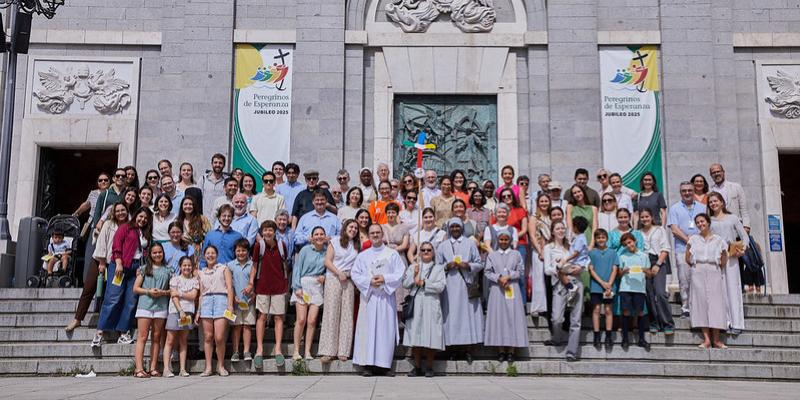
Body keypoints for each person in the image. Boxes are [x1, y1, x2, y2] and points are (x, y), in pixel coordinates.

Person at [93, 207, 152, 348]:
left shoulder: (145, 233)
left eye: (145, 218)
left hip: (136, 268)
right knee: (113, 297)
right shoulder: (126, 227)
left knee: (131, 301)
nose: (142, 220)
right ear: (135, 215)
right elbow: (117, 245)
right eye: (140, 216)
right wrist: (118, 262)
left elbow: (144, 252)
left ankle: (123, 332)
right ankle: (99, 332)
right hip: (120, 266)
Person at [351, 224, 406, 376]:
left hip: (385, 297)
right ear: (368, 235)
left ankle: (384, 365)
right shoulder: (363, 255)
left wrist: (385, 278)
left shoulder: (392, 254)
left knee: (385, 330)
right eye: (372, 233)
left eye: (378, 232)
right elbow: (355, 274)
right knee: (367, 330)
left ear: (382, 235)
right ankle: (368, 365)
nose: (375, 235)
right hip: (369, 298)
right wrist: (369, 281)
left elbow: (400, 272)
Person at [66, 202, 128, 333]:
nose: (121, 213)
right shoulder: (108, 224)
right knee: (89, 288)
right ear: (114, 213)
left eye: (123, 210)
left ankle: (108, 322)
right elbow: (101, 243)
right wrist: (102, 262)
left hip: (116, 263)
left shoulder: (128, 227)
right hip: (100, 260)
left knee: (111, 294)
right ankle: (77, 318)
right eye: (118, 211)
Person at [438, 218, 483, 363]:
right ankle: (453, 349)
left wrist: (468, 265)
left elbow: (479, 263)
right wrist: (446, 266)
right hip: (449, 287)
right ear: (449, 229)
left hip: (465, 285)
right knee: (452, 318)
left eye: (458, 226)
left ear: (462, 227)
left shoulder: (470, 243)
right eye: (453, 226)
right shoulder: (443, 245)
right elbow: (437, 266)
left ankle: (468, 349)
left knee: (466, 318)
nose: (455, 229)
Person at [483, 228, 529, 363]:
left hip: (511, 288)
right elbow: (487, 272)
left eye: (506, 239)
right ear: (498, 240)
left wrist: (509, 276)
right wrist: (498, 278)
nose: (503, 242)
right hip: (497, 289)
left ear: (510, 240)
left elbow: (521, 270)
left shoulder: (516, 254)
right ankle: (501, 350)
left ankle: (511, 350)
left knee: (512, 318)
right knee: (498, 319)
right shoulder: (492, 255)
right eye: (501, 239)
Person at [249, 220, 289, 369]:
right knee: (262, 317)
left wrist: (286, 285)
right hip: (263, 286)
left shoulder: (281, 245)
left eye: (270, 230)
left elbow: (285, 266)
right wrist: (251, 283)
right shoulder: (259, 246)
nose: (267, 233)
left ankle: (278, 349)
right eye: (265, 230)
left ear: (275, 231)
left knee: (278, 317)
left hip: (279, 286)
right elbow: (254, 266)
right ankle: (259, 349)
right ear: (262, 232)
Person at [319, 219, 360, 363]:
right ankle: (328, 351)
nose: (353, 229)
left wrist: (348, 274)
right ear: (345, 228)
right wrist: (338, 273)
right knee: (332, 313)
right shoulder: (335, 241)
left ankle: (344, 350)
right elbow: (327, 261)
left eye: (356, 228)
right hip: (334, 278)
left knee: (347, 314)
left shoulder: (356, 245)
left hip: (348, 280)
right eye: (351, 227)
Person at [402, 241, 445, 378]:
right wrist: (414, 276)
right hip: (417, 302)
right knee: (415, 334)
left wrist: (425, 283)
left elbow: (441, 286)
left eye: (428, 250)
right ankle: (418, 366)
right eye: (423, 250)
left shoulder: (438, 268)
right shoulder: (414, 266)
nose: (426, 252)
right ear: (419, 252)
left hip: (431, 302)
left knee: (431, 334)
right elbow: (405, 284)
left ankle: (430, 367)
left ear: (432, 253)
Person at [708, 191, 749, 335]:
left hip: (731, 257)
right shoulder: (710, 221)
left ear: (722, 202)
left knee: (733, 288)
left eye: (715, 201)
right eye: (711, 202)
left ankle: (737, 323)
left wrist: (742, 250)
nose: (713, 204)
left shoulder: (732, 218)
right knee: (720, 291)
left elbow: (744, 236)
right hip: (716, 258)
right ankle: (725, 322)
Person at [686, 213, 729, 349]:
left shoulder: (718, 240)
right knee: (701, 303)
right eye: (697, 222)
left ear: (708, 222)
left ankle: (716, 339)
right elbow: (687, 258)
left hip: (713, 269)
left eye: (702, 221)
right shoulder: (693, 239)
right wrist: (695, 267)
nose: (700, 224)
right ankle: (706, 339)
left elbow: (724, 257)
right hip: (698, 270)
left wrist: (718, 266)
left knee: (715, 304)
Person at [544, 220, 583, 361]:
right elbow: (547, 270)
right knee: (557, 318)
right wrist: (558, 268)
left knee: (576, 319)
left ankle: (571, 352)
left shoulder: (572, 246)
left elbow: (583, 260)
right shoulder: (549, 248)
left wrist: (580, 267)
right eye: (557, 228)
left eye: (562, 228)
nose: (560, 230)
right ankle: (557, 338)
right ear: (553, 231)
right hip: (559, 283)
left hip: (575, 281)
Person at [667, 181, 706, 318]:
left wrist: (696, 239)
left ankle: (700, 306)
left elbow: (706, 226)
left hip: (701, 248)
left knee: (700, 279)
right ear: (680, 193)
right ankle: (686, 308)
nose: (687, 193)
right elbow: (674, 229)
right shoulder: (674, 208)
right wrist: (688, 240)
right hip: (682, 249)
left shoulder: (703, 207)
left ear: (694, 191)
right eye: (684, 191)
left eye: (689, 190)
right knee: (684, 280)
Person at [132, 243, 172, 378]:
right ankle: (138, 368)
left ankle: (153, 367)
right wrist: (149, 291)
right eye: (154, 252)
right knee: (142, 337)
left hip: (161, 306)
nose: (157, 255)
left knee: (156, 337)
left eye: (159, 252)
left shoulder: (168, 270)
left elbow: (173, 290)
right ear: (150, 254)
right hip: (145, 305)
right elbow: (136, 288)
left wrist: (163, 292)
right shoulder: (144, 269)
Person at [196, 245, 234, 376]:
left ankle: (220, 365)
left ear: (216, 255)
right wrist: (198, 311)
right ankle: (208, 367)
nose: (210, 255)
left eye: (213, 253)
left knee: (219, 337)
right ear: (204, 256)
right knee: (208, 336)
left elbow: (229, 287)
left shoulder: (224, 268)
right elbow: (201, 293)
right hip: (206, 302)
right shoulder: (201, 272)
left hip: (220, 300)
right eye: (207, 253)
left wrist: (230, 305)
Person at [291, 226, 327, 361]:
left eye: (321, 234)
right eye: (316, 234)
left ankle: (307, 351)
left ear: (325, 236)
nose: (319, 236)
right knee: (301, 319)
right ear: (312, 237)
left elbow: (329, 267)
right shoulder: (305, 250)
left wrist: (325, 276)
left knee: (312, 321)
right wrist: (297, 287)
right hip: (303, 284)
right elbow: (297, 268)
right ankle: (296, 351)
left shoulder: (327, 251)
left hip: (317, 286)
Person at [639, 208, 675, 334]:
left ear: (652, 217)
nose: (644, 219)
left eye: (647, 216)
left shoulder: (660, 230)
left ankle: (667, 323)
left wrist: (658, 264)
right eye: (642, 217)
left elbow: (665, 248)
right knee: (648, 294)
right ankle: (654, 322)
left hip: (658, 261)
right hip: (644, 264)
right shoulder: (638, 233)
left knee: (660, 293)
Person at [163, 256, 199, 377]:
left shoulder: (194, 281)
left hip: (188, 312)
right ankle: (166, 369)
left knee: (183, 340)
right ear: (180, 266)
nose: (187, 267)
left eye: (189, 265)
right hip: (175, 311)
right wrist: (180, 310)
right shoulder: (175, 279)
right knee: (170, 340)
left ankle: (183, 369)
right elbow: (174, 296)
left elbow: (193, 296)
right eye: (184, 265)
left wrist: (181, 293)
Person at [617, 232, 652, 350]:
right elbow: (619, 274)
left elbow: (650, 274)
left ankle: (641, 339)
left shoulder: (644, 256)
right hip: (625, 287)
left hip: (639, 289)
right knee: (626, 312)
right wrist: (623, 271)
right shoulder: (622, 256)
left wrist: (645, 270)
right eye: (625, 244)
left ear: (635, 241)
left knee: (640, 312)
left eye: (630, 242)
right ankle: (625, 339)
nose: (628, 245)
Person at [587, 229, 618, 349]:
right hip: (596, 285)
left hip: (610, 286)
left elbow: (615, 268)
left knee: (608, 310)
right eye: (598, 237)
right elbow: (591, 269)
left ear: (606, 238)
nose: (601, 240)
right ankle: (596, 335)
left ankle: (608, 335)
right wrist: (602, 283)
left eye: (603, 237)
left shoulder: (612, 252)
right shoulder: (592, 253)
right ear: (595, 239)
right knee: (596, 309)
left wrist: (609, 283)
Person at [227, 239, 255, 363]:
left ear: (248, 251)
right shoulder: (230, 265)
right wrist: (233, 298)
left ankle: (247, 351)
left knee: (247, 326)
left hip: (250, 301)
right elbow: (228, 285)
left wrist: (253, 297)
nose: (241, 253)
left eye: (243, 250)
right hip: (236, 302)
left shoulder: (253, 264)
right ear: (235, 251)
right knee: (237, 326)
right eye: (238, 250)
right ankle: (235, 351)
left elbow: (256, 284)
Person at [528, 193, 551, 316]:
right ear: (538, 203)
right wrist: (540, 251)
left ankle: (549, 305)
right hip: (538, 251)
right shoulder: (534, 217)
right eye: (541, 201)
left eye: (546, 201)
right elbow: (532, 235)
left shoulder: (552, 216)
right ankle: (537, 307)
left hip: (551, 251)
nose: (544, 203)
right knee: (539, 278)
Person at [709, 163, 750, 230]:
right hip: (718, 227)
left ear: (723, 172)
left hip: (736, 226)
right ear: (711, 175)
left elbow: (743, 209)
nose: (716, 174)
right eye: (713, 172)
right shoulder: (710, 191)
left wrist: (746, 226)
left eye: (718, 171)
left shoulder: (736, 187)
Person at [176, 196, 210, 266]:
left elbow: (209, 235)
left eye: (190, 204)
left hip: (198, 253)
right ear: (182, 206)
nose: (188, 206)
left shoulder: (201, 219)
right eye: (185, 204)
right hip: (183, 252)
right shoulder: (178, 220)